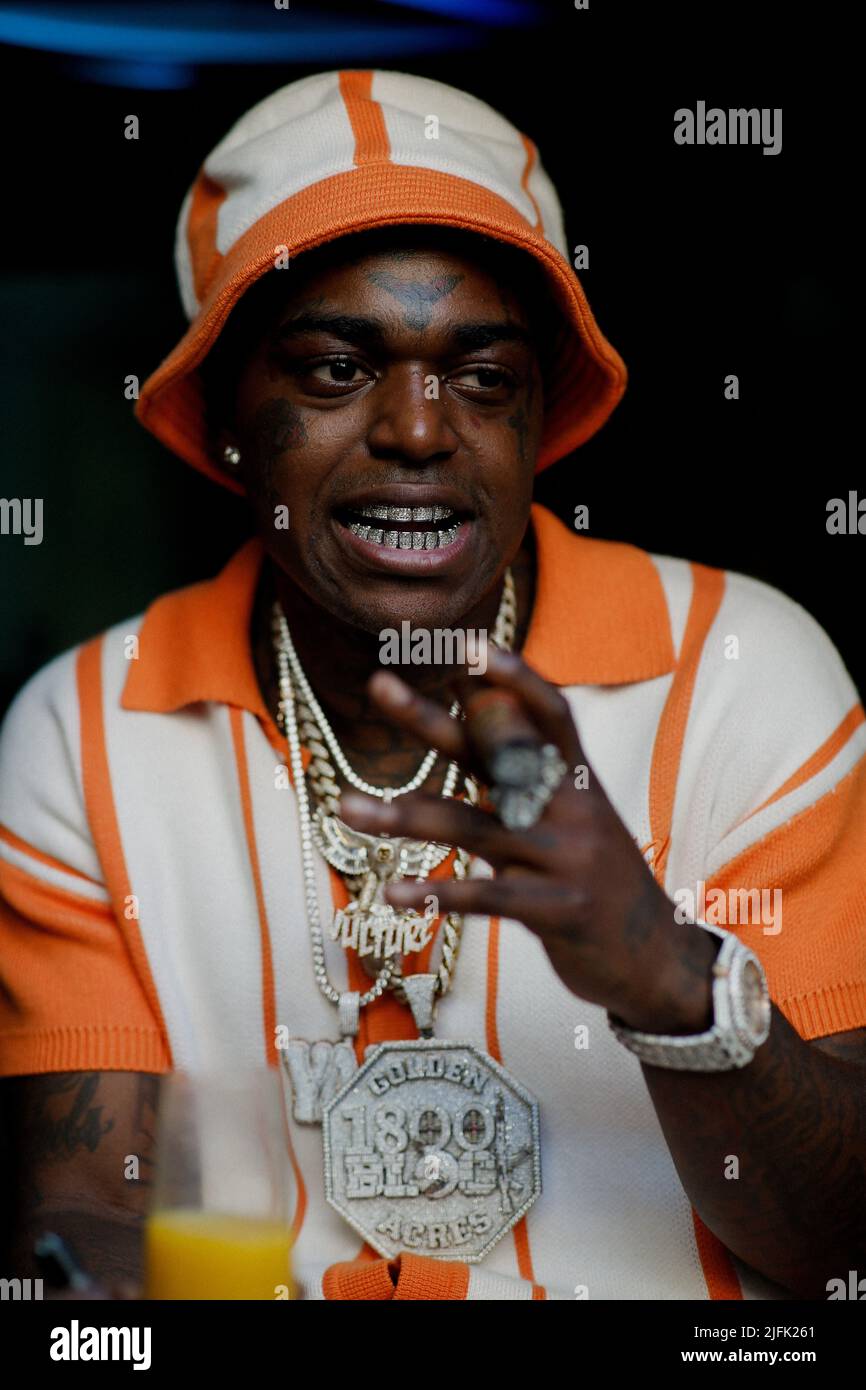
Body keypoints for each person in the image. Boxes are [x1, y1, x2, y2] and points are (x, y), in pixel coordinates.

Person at [1, 70, 864, 1303]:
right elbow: (89, 1202)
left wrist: (664, 975)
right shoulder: (83, 732)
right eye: (336, 369)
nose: (418, 430)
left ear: (532, 423)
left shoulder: (743, 675)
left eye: (483, 376)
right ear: (228, 421)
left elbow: (843, 1255)